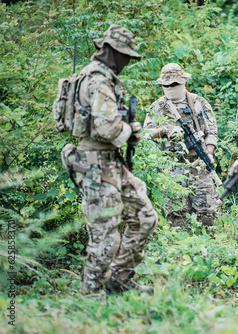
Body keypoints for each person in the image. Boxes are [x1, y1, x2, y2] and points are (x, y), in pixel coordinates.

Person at [60, 25, 158, 299]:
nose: (127, 61)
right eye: (125, 56)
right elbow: (108, 130)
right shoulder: (98, 81)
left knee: (144, 216)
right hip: (94, 163)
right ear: (113, 53)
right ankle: (91, 295)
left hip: (111, 162)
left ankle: (120, 279)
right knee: (105, 234)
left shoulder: (105, 78)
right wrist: (132, 131)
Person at [144, 63, 221, 227]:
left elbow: (211, 132)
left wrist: (209, 152)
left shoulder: (199, 103)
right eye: (167, 85)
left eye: (175, 84)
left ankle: (210, 251)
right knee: (177, 217)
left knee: (207, 215)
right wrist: (165, 129)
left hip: (199, 164)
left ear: (183, 82)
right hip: (172, 167)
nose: (171, 87)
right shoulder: (157, 106)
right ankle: (180, 252)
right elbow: (146, 135)